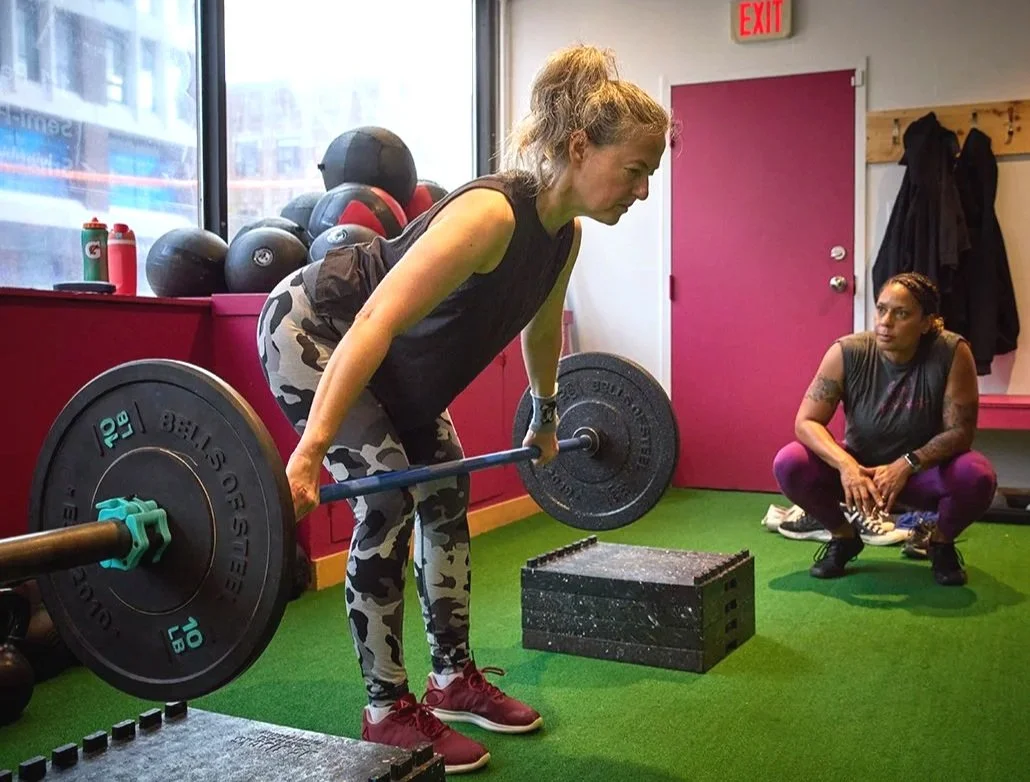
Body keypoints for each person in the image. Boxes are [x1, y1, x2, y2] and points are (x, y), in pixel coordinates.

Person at [256, 44, 670, 774]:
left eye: (651, 176)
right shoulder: (490, 215)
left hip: (394, 371)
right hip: (316, 330)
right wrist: (312, 449)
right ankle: (385, 709)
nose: (641, 191)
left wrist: (546, 412)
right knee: (386, 497)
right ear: (580, 147)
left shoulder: (564, 236)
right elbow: (374, 320)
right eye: (635, 169)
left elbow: (542, 327)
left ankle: (451, 679)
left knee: (446, 491)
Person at [772, 272, 998, 586]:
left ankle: (940, 543)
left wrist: (907, 463)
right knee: (790, 462)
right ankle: (844, 536)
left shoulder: (952, 351)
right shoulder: (847, 351)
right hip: (861, 473)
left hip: (922, 473)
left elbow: (961, 432)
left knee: (977, 475)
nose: (885, 322)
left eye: (901, 314)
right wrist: (847, 466)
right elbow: (806, 422)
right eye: (881, 309)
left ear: (926, 322)